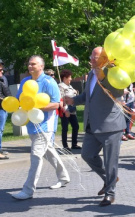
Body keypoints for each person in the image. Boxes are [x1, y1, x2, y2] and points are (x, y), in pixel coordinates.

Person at [65, 47, 126, 206]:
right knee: (87, 154)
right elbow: (88, 96)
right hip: (92, 124)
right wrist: (73, 100)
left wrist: (103, 78)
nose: (91, 59)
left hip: (110, 125)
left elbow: (118, 92)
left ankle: (110, 193)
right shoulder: (91, 73)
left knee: (110, 161)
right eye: (91, 56)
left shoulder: (113, 71)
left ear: (105, 58)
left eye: (95, 57)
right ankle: (109, 178)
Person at [11, 56, 71, 199]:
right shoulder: (25, 81)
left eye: (33, 64)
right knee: (49, 152)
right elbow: (19, 100)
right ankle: (64, 177)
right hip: (31, 124)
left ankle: (28, 190)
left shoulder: (49, 82)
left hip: (45, 126)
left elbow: (56, 104)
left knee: (36, 155)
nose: (30, 66)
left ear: (41, 66)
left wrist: (36, 106)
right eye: (29, 64)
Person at [58, 69, 81, 152]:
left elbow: (74, 95)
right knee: (65, 128)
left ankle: (74, 144)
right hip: (65, 109)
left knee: (76, 126)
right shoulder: (60, 86)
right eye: (69, 77)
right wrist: (65, 110)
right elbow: (61, 99)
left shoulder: (70, 86)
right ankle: (65, 146)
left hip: (72, 110)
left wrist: (76, 92)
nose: (71, 79)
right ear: (65, 78)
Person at [0, 66, 12, 159]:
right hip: (1, 108)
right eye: (0, 70)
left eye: (2, 69)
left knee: (1, 130)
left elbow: (7, 93)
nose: (2, 71)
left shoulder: (2, 80)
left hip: (3, 108)